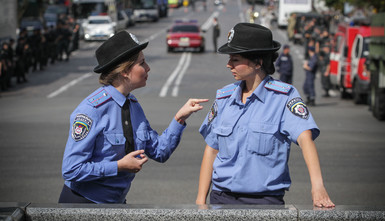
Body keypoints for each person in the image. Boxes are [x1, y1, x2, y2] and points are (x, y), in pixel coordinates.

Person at [59, 31, 209, 204]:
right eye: (142, 63)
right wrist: (118, 166)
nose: (148, 68)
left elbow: (160, 152)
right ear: (124, 71)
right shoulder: (91, 110)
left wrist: (179, 118)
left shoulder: (132, 105)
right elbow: (71, 169)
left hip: (116, 204)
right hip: (83, 203)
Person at [196, 23, 334, 208]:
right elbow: (211, 150)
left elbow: (305, 139)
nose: (228, 64)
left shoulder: (284, 97)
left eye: (235, 59)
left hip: (265, 202)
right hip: (221, 199)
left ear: (258, 62)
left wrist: (318, 187)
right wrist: (200, 201)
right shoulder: (224, 98)